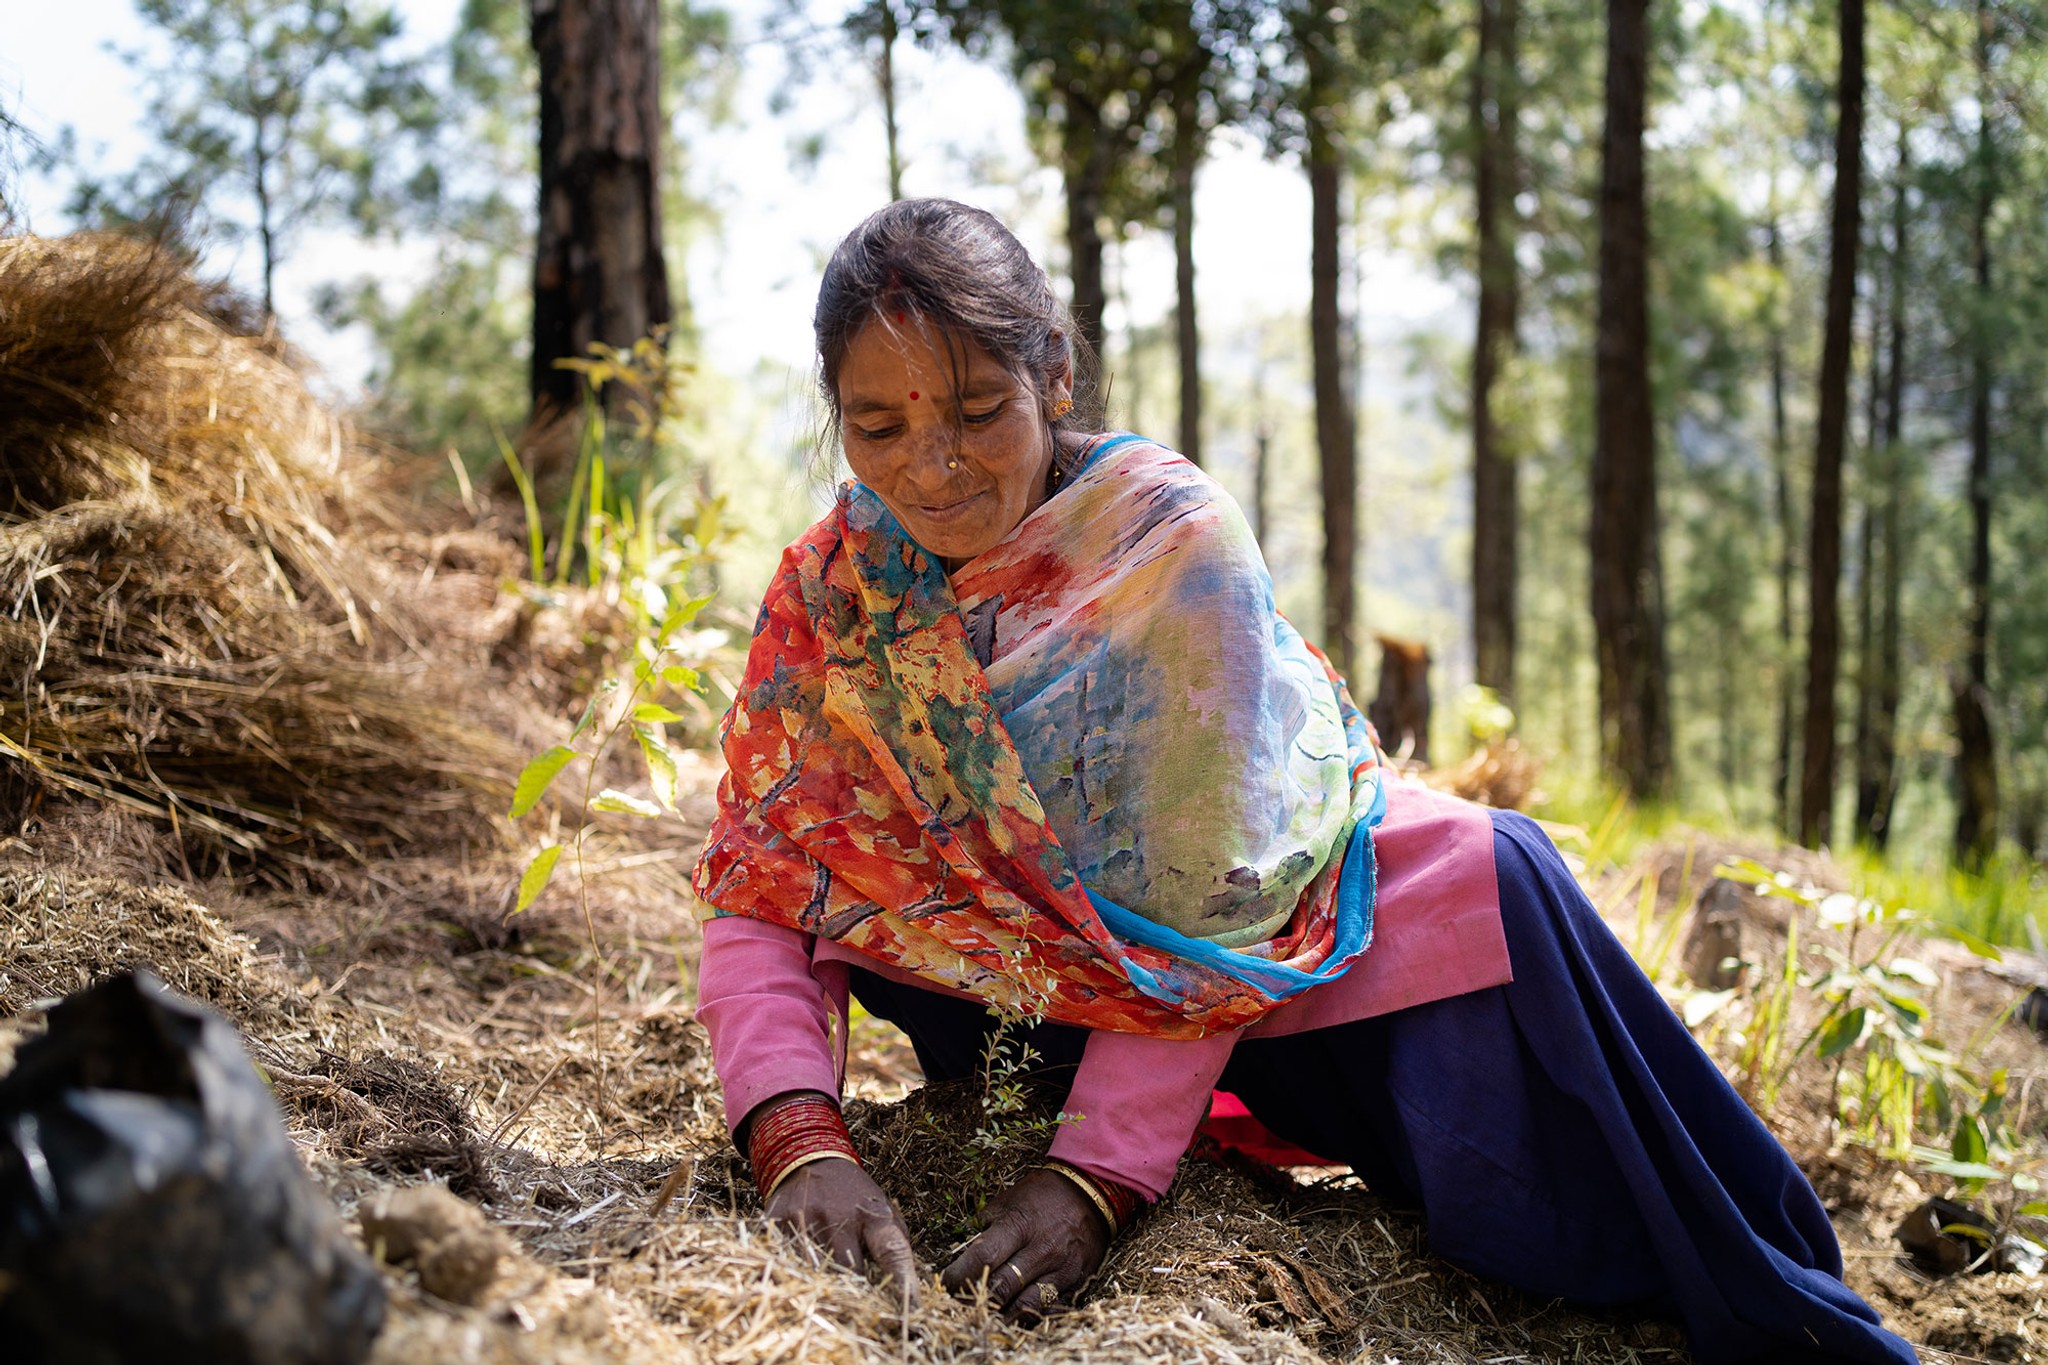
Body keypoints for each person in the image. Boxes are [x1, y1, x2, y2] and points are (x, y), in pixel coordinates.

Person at [691, 197, 1919, 1365]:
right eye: (878, 427)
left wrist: (1094, 1178)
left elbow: (1218, 909)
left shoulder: (1167, 546)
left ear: (1053, 374)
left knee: (1595, 1187)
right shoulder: (834, 591)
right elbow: (764, 882)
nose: (931, 468)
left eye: (975, 410)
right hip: (1023, 1008)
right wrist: (798, 1141)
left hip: (1273, 967)